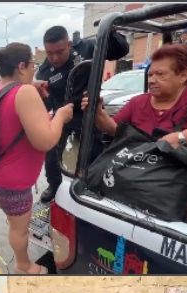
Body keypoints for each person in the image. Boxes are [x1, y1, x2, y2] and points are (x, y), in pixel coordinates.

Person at [82, 44, 187, 220]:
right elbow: (115, 130)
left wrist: (181, 138)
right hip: (132, 176)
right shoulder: (138, 102)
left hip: (175, 189)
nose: (151, 80)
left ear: (183, 75)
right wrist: (98, 113)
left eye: (160, 74)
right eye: (150, 74)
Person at [0, 43, 75, 274]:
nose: (36, 68)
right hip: (13, 182)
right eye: (33, 64)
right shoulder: (24, 93)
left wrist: (31, 88)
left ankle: (4, 201)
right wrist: (61, 116)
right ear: (22, 66)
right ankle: (24, 265)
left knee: (11, 205)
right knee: (20, 230)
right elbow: (45, 141)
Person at [36, 25, 130, 203]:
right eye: (49, 53)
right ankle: (54, 186)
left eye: (59, 51)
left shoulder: (87, 48)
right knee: (51, 153)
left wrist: (111, 33)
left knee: (93, 153)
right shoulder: (44, 71)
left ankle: (92, 187)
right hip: (63, 113)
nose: (54, 57)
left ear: (69, 44)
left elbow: (121, 50)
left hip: (88, 112)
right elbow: (48, 101)